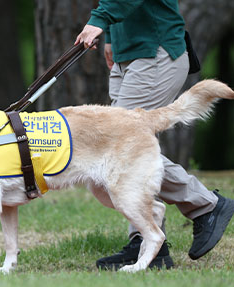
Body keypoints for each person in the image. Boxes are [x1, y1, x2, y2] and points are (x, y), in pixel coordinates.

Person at [75, 0, 234, 270]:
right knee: (118, 155)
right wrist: (112, 36)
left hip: (155, 54)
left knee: (115, 152)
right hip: (129, 57)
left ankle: (204, 205)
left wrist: (100, 20)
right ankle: (148, 241)